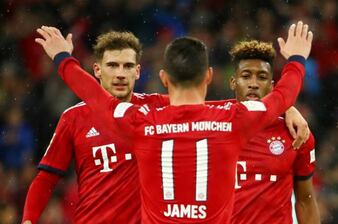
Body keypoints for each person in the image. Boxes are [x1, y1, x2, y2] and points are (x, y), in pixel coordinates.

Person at [35, 21, 313, 223]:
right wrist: (297, 61)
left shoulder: (141, 121)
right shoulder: (233, 121)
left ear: (164, 79)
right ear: (209, 77)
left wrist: (63, 58)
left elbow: (94, 96)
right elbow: (281, 93)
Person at [22, 31, 169, 224]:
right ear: (97, 70)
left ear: (138, 71)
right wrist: (28, 220)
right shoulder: (73, 117)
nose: (120, 74)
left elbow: (199, 105)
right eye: (112, 65)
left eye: (128, 66)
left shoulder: (158, 108)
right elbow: (47, 178)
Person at [229, 40, 320, 223]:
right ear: (233, 82)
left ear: (272, 86)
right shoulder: (213, 123)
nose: (253, 84)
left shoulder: (295, 133)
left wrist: (286, 107)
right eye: (246, 76)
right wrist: (287, 107)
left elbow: (305, 201)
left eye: (261, 77)